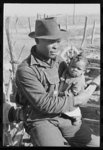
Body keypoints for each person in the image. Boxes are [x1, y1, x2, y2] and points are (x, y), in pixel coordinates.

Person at [5, 17, 100, 147]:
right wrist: (77, 100)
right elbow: (44, 104)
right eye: (50, 41)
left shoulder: (59, 61)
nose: (56, 46)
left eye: (58, 41)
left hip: (64, 115)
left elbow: (73, 79)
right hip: (40, 119)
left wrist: (92, 85)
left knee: (95, 143)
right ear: (37, 40)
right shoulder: (26, 70)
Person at [58, 53, 90, 125]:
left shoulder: (79, 80)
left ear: (83, 71)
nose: (74, 69)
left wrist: (63, 94)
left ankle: (77, 118)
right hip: (63, 91)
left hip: (73, 97)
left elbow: (74, 93)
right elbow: (64, 74)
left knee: (73, 109)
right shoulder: (67, 72)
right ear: (69, 66)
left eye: (78, 69)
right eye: (73, 66)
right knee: (61, 107)